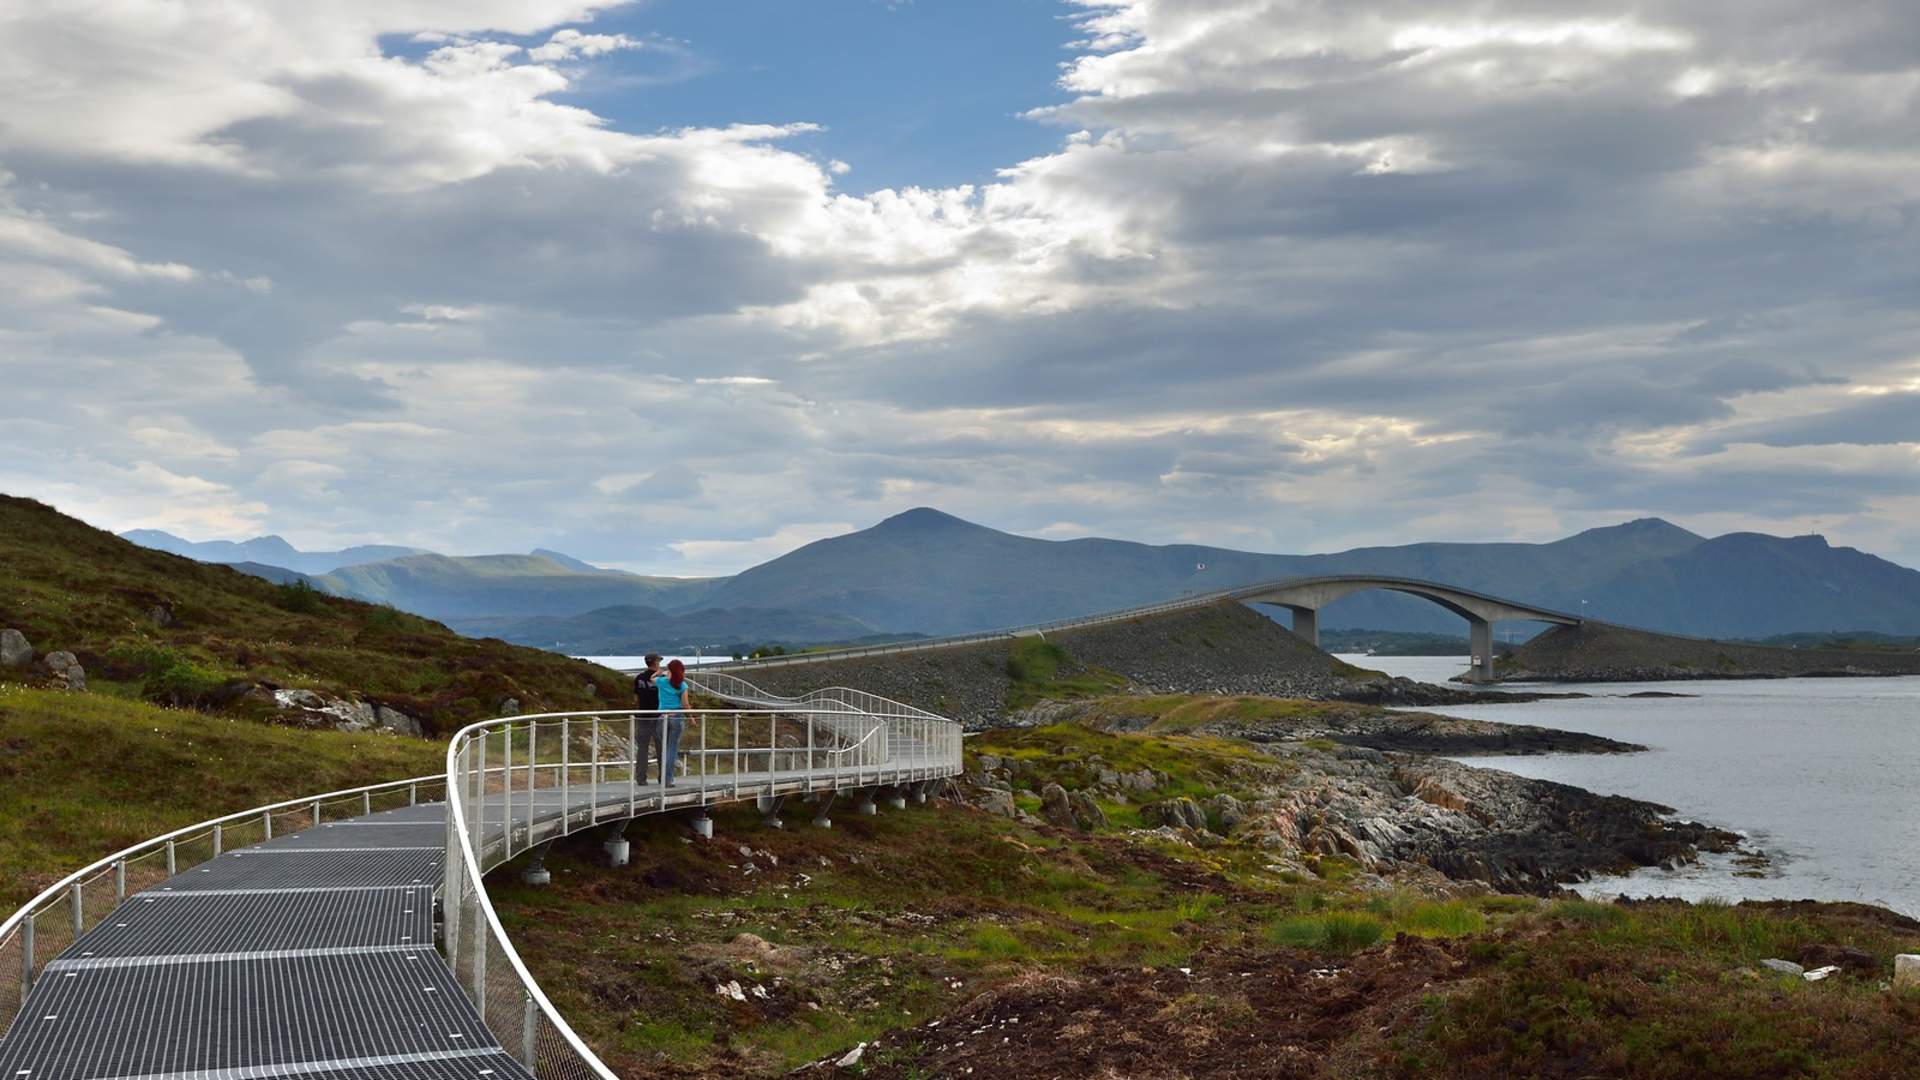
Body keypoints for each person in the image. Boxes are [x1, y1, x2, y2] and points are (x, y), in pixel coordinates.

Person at [652, 658, 690, 787]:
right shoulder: (682, 685)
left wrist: (657, 673)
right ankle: (668, 779)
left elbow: (652, 679)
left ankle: (662, 776)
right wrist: (691, 716)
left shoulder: (661, 682)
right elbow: (685, 704)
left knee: (664, 748)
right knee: (672, 748)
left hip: (662, 717)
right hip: (677, 717)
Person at [632, 654, 662, 781]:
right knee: (661, 747)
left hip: (643, 716)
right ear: (655, 662)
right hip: (658, 716)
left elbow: (636, 698)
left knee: (642, 748)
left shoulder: (639, 678)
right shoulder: (662, 679)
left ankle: (641, 777)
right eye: (659, 661)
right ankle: (663, 776)